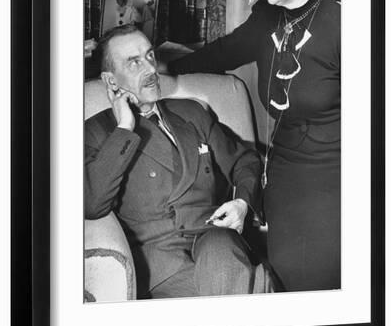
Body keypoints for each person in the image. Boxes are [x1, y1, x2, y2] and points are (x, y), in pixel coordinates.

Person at [167, 0, 341, 292]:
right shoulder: (267, 18)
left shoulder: (347, 27)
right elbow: (221, 54)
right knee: (285, 287)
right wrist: (159, 68)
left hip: (337, 185)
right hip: (282, 181)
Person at [85, 24, 277, 299]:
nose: (150, 69)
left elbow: (244, 160)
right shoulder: (96, 132)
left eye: (150, 56)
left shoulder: (191, 112)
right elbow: (92, 203)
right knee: (248, 291)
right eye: (134, 62)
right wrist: (125, 127)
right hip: (161, 262)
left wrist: (243, 203)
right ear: (111, 81)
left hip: (215, 235)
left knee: (224, 258)